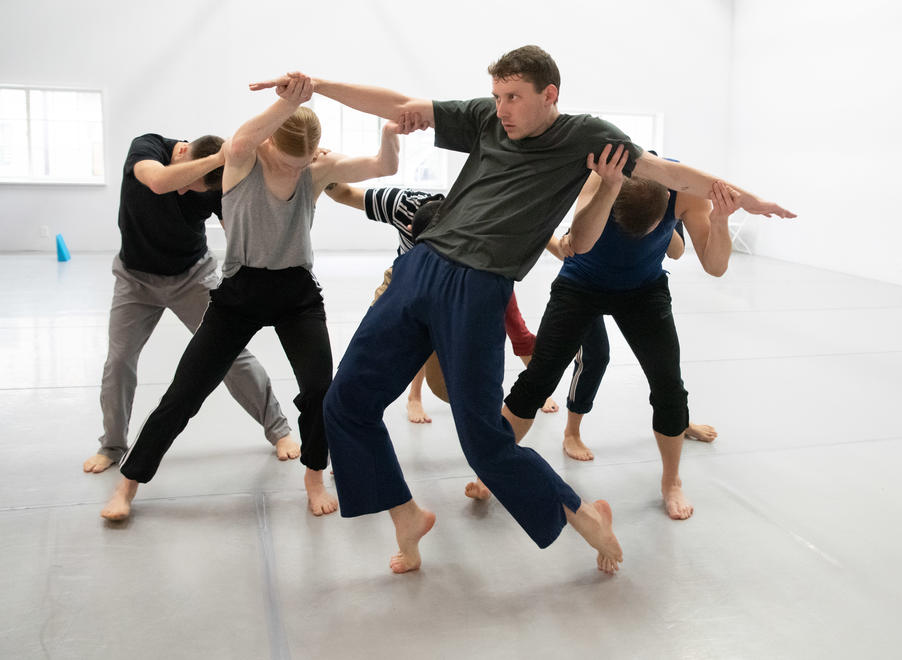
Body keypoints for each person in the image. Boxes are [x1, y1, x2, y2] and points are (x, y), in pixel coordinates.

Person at [251, 45, 793, 575]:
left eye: (513, 96)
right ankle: (406, 515)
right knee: (345, 404)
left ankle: (584, 518)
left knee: (484, 442)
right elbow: (399, 106)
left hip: (478, 288)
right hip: (421, 267)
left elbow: (668, 173)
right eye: (497, 95)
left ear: (548, 94)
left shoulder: (587, 137)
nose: (502, 108)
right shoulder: (487, 120)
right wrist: (317, 86)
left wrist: (747, 200)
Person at [100, 74, 402, 521]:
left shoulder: (314, 170)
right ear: (267, 144)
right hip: (239, 293)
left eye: (304, 162)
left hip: (296, 294)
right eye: (288, 158)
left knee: (320, 390)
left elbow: (383, 167)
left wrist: (390, 133)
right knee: (184, 393)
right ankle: (128, 484)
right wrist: (291, 100)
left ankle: (314, 475)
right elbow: (245, 135)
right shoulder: (241, 159)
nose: (297, 169)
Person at [503, 168, 741, 521]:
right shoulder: (595, 178)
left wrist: (720, 220)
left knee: (669, 388)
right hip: (580, 285)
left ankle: (672, 481)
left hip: (644, 290)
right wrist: (556, 241)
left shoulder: (687, 191)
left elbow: (716, 266)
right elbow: (562, 239)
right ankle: (494, 466)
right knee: (538, 379)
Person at [84, 132, 297, 475]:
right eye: (185, 181)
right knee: (119, 360)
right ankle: (112, 445)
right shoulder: (148, 146)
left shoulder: (214, 182)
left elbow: (235, 231)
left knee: (232, 354)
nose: (183, 191)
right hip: (135, 279)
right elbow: (157, 182)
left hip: (192, 277)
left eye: (191, 188)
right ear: (181, 152)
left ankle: (279, 431)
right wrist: (217, 159)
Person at [323, 183, 558, 423]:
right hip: (405, 278)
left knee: (453, 379)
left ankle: (535, 389)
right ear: (411, 229)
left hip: (472, 276)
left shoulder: (473, 218)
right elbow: (345, 193)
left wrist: (558, 246)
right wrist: (324, 174)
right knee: (396, 336)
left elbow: (526, 221)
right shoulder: (401, 205)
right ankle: (413, 397)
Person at [546, 205, 716, 464]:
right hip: (585, 285)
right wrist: (554, 241)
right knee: (595, 356)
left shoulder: (667, 193)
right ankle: (572, 431)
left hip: (637, 289)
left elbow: (678, 252)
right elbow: (566, 247)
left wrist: (657, 216)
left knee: (665, 367)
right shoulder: (604, 189)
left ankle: (678, 422)